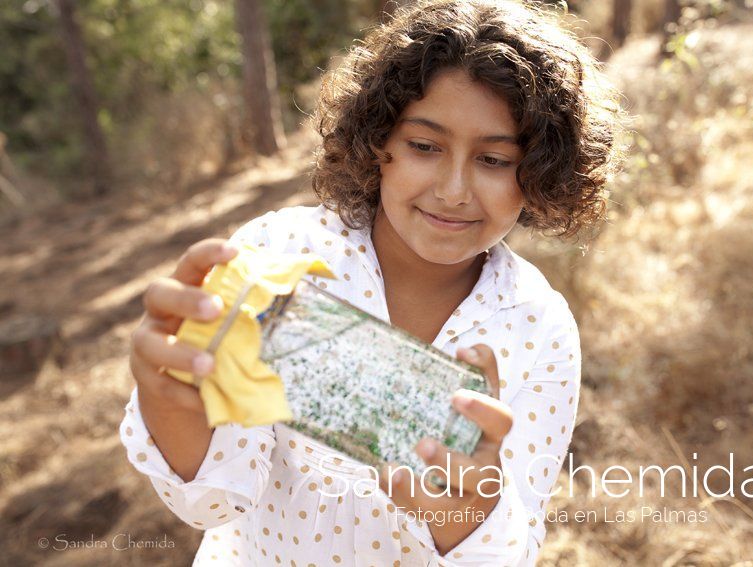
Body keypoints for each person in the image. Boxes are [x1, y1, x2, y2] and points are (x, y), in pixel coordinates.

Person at [120, 0, 622, 564]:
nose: (454, 190)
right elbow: (213, 503)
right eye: (424, 147)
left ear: (540, 172)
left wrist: (467, 517)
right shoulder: (280, 255)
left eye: (495, 160)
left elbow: (511, 543)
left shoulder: (541, 327)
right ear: (379, 140)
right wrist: (173, 406)